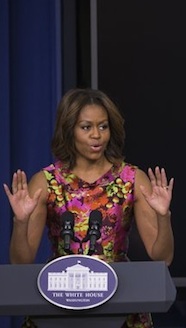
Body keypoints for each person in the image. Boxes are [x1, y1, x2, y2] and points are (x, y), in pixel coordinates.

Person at [3, 88, 174, 328]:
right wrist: (20, 222)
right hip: (57, 304)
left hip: (122, 303)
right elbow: (20, 265)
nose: (97, 135)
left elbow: (163, 257)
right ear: (69, 130)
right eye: (86, 127)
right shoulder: (45, 182)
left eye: (103, 127)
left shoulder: (131, 179)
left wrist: (163, 215)